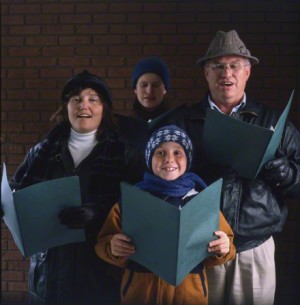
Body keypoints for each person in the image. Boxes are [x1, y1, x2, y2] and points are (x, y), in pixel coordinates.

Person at [172, 30, 300, 305]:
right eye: (217, 66)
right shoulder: (184, 120)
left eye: (234, 66)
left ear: (247, 72)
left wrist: (287, 174)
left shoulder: (273, 121)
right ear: (206, 73)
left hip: (254, 248)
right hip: (200, 246)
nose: (226, 73)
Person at [9, 70, 126, 305]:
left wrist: (97, 214)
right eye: (76, 99)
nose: (84, 105)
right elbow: (15, 193)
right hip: (49, 273)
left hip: (97, 272)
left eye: (93, 99)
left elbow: (132, 209)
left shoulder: (123, 153)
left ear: (104, 108)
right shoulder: (41, 152)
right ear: (66, 107)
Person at [95, 125, 236, 305]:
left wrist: (223, 248)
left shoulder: (202, 201)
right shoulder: (132, 200)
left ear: (188, 159)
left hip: (189, 293)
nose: (169, 159)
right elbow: (102, 243)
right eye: (160, 153)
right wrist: (112, 247)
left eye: (178, 153)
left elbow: (229, 245)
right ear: (149, 159)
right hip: (140, 291)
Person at [128, 55, 170, 121]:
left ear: (164, 89)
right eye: (144, 85)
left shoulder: (178, 125)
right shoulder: (124, 126)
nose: (149, 91)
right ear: (135, 89)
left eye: (156, 85)